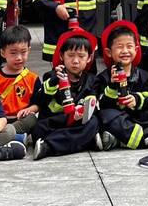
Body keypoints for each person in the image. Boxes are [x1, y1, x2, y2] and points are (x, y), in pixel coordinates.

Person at [93, 21, 148, 150]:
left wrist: (137, 99)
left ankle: (119, 140)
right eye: (119, 47)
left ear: (136, 49)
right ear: (108, 52)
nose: (125, 51)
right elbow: (101, 104)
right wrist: (112, 87)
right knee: (105, 117)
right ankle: (146, 140)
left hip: (136, 116)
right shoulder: (103, 77)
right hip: (117, 116)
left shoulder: (144, 76)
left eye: (129, 46)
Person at [32, 28, 102, 159]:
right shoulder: (51, 76)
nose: (75, 61)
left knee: (93, 122)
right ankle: (85, 141)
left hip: (79, 121)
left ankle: (48, 147)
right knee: (38, 130)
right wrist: (53, 82)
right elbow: (39, 100)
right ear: (61, 56)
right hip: (56, 121)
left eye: (81, 56)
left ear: (89, 58)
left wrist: (79, 112)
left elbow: (92, 103)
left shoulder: (92, 80)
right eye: (70, 55)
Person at [0, 25, 41, 143]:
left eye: (23, 52)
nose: (19, 58)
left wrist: (29, 109)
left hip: (20, 120)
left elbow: (38, 104)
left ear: (29, 50)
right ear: (3, 53)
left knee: (32, 118)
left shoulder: (33, 78)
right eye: (13, 53)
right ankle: (14, 137)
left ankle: (6, 135)